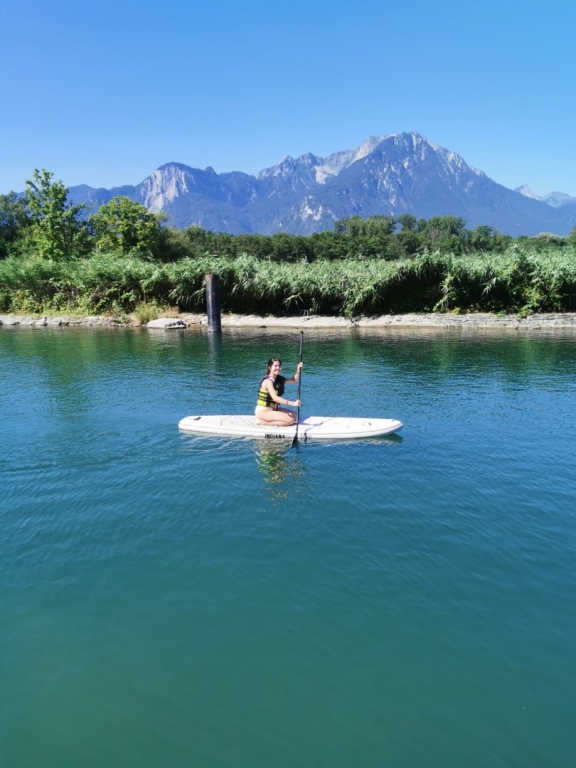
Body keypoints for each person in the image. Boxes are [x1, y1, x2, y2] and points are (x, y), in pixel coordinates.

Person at [255, 357, 303, 426]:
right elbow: (275, 398)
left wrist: (298, 371)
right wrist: (293, 403)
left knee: (296, 416)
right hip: (263, 411)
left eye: (279, 366)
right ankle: (264, 422)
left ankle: (270, 418)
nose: (278, 368)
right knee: (290, 420)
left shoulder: (278, 379)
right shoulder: (267, 381)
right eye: (275, 366)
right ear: (270, 367)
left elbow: (293, 380)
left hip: (273, 409)